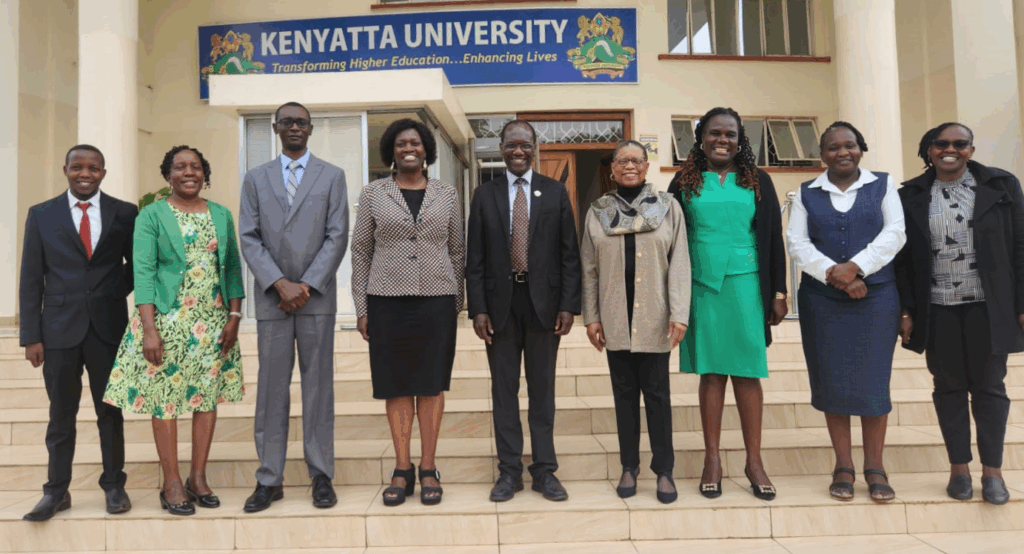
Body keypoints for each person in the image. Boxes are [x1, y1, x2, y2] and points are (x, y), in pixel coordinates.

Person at [102, 145, 245, 515]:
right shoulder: (151, 215)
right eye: (179, 167)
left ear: (204, 173)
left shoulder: (221, 214)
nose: (188, 172)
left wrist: (234, 316)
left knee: (207, 398)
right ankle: (172, 482)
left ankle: (198, 477)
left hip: (213, 323)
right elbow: (143, 272)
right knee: (166, 398)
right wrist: (149, 329)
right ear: (168, 175)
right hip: (167, 321)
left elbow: (231, 269)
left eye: (195, 166)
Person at [896, 122, 1023, 505]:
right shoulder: (912, 195)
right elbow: (901, 260)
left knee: (989, 388)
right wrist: (905, 310)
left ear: (970, 148)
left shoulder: (1000, 186)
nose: (949, 149)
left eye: (959, 144)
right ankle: (959, 470)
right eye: (941, 143)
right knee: (948, 388)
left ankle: (993, 473)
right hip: (937, 308)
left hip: (989, 305)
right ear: (929, 149)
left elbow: (1021, 245)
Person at [667, 107, 787, 501]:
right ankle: (712, 459)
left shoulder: (758, 181)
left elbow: (772, 237)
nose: (723, 140)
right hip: (702, 285)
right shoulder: (683, 181)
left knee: (748, 372)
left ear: (740, 140)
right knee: (712, 373)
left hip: (747, 285)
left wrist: (779, 292)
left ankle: (754, 462)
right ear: (700, 137)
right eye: (715, 133)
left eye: (731, 134)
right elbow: (669, 238)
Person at [786, 122, 905, 502]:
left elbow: (895, 233)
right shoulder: (806, 193)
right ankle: (843, 466)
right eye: (833, 147)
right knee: (831, 381)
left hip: (877, 297)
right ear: (822, 155)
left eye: (850, 145)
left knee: (873, 382)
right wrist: (834, 276)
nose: (842, 152)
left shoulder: (883, 185)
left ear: (861, 149)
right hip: (823, 301)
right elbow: (797, 243)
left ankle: (875, 467)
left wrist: (855, 267)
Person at [239, 101, 349, 512]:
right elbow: (248, 236)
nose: (294, 127)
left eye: (301, 122)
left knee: (318, 387)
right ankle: (270, 478)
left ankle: (321, 474)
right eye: (287, 122)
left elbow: (337, 236)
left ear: (311, 128)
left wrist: (305, 285)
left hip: (315, 299)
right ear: (275, 128)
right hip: (273, 301)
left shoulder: (332, 176)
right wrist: (279, 284)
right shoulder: (255, 178)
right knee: (271, 390)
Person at [19, 145, 137, 521]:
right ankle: (56, 491)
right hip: (57, 331)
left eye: (94, 168)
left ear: (104, 171)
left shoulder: (125, 213)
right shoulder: (41, 215)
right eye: (78, 167)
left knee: (110, 412)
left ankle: (114, 485)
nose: (85, 173)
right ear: (65, 169)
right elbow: (30, 278)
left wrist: (115, 292)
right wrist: (31, 335)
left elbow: (138, 266)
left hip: (107, 328)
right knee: (61, 415)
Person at [466, 119, 582, 502]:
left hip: (544, 307)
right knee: (504, 392)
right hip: (499, 308)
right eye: (511, 145)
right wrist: (477, 308)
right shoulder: (485, 194)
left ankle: (545, 471)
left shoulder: (553, 192)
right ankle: (509, 472)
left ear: (535, 148)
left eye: (525, 145)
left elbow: (569, 253)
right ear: (501, 148)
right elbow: (476, 258)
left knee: (542, 392)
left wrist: (568, 304)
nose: (518, 151)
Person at [350, 118, 465, 506]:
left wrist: (457, 301)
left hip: (436, 300)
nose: (408, 148)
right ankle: (402, 467)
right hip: (386, 302)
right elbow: (361, 250)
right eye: (401, 143)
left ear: (426, 148)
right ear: (391, 151)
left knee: (431, 385)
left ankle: (429, 466)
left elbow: (457, 251)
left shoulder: (447, 193)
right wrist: (362, 307)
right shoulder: (373, 193)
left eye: (415, 142)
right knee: (396, 385)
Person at [581, 140, 690, 504]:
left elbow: (680, 264)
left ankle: (664, 470)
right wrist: (592, 316)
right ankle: (629, 466)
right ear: (612, 169)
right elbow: (589, 269)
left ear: (646, 167)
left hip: (654, 317)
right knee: (624, 396)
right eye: (622, 161)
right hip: (615, 318)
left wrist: (679, 313)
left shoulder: (668, 207)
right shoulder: (597, 211)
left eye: (636, 160)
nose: (629, 166)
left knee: (657, 396)